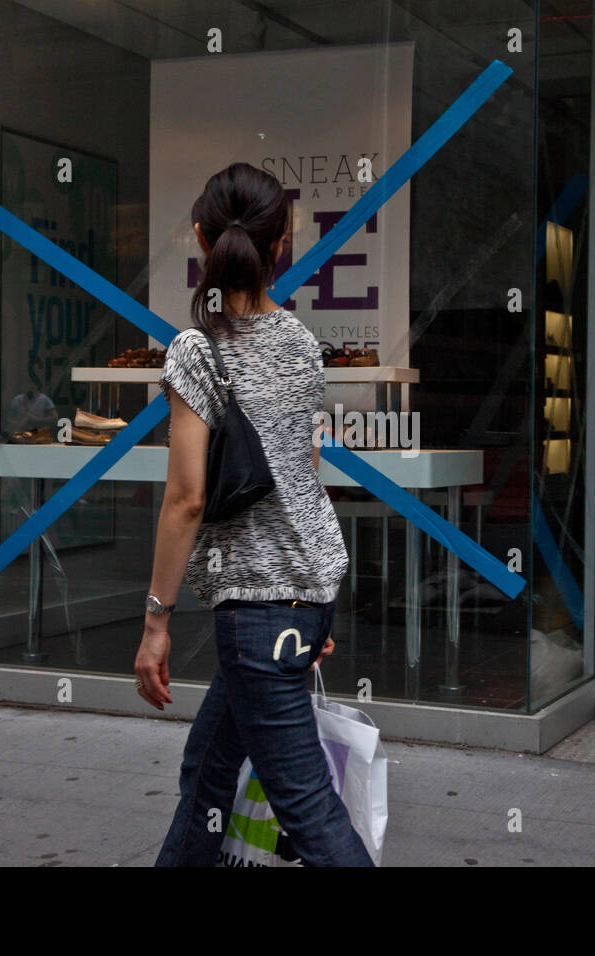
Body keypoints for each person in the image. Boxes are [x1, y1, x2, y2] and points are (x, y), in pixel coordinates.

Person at [134, 162, 372, 867]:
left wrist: (155, 623)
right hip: (301, 595)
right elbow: (307, 469)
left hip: (261, 612)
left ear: (201, 238)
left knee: (309, 811)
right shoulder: (300, 342)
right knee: (206, 772)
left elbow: (186, 499)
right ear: (282, 247)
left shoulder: (195, 350)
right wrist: (311, 608)